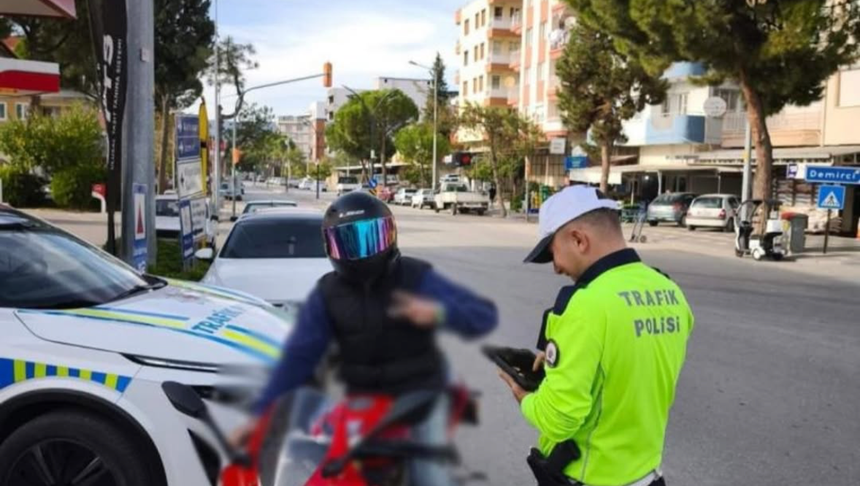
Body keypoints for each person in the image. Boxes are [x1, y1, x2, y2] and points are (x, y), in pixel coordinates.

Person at [235, 192, 498, 486]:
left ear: (391, 234)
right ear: (330, 247)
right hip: (362, 402)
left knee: (430, 476)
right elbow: (298, 355)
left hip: (419, 397)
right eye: (347, 242)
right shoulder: (327, 292)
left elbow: (482, 315)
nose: (360, 253)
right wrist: (261, 416)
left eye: (370, 238)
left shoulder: (416, 276)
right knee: (325, 465)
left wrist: (437, 312)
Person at [498, 185, 694, 486]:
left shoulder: (586, 305)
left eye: (552, 253)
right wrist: (566, 364)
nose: (556, 267)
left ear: (578, 239)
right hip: (647, 475)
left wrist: (524, 397)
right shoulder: (670, 291)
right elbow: (629, 367)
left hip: (592, 477)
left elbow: (558, 419)